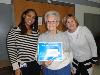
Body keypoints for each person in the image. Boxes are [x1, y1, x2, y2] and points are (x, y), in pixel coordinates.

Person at [38, 10, 73, 75]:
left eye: (53, 21)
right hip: (48, 69)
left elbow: (70, 52)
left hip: (63, 68)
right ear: (46, 23)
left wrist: (72, 67)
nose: (51, 23)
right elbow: (38, 54)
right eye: (48, 21)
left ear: (57, 23)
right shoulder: (42, 37)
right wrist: (43, 63)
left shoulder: (64, 36)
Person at [7, 9, 41, 75]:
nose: (31, 19)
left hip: (35, 64)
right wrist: (16, 68)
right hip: (22, 65)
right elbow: (12, 51)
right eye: (29, 16)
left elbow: (39, 48)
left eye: (33, 17)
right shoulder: (14, 31)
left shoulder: (36, 32)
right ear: (24, 16)